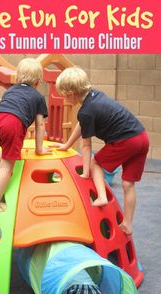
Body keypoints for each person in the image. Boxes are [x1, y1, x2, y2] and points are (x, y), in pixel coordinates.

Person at [55, 67, 149, 235]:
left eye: (63, 94)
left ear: (71, 93)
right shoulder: (94, 95)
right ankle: (127, 223)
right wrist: (67, 145)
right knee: (128, 184)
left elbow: (86, 145)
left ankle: (101, 197)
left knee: (96, 163)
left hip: (126, 141)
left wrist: (85, 172)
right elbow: (82, 123)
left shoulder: (86, 111)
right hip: (141, 137)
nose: (63, 98)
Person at [0, 58, 52, 212]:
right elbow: (40, 125)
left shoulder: (11, 90)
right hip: (12, 123)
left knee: (7, 145)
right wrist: (39, 149)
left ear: (18, 77)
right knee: (7, 167)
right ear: (38, 81)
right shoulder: (38, 97)